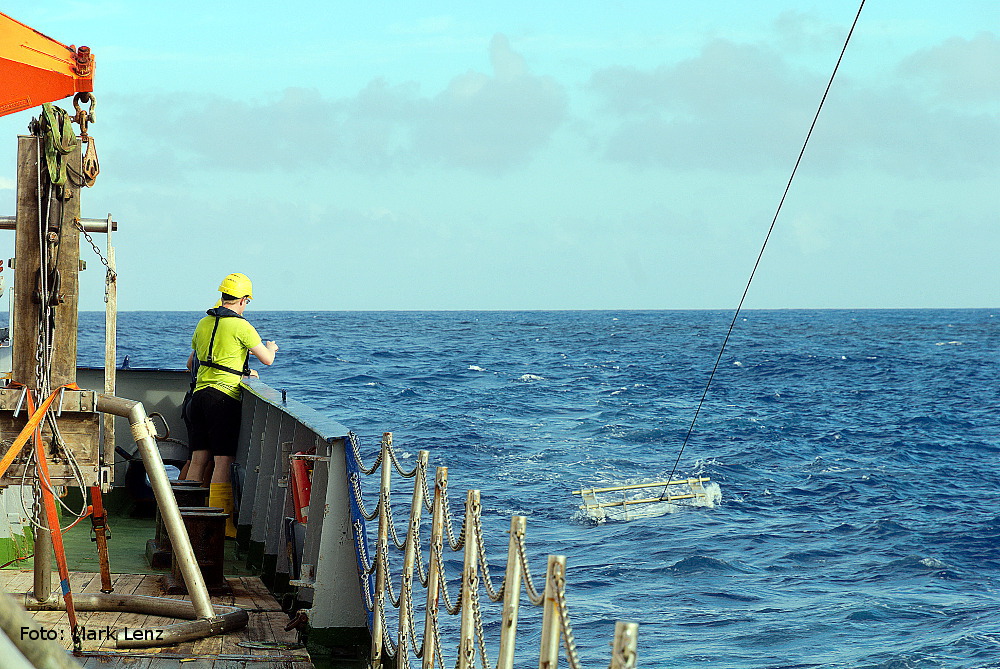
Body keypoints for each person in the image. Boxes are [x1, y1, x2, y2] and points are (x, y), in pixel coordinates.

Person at [185, 272, 278, 537]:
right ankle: (220, 525)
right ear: (244, 300)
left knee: (198, 460)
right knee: (223, 462)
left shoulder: (204, 323)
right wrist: (270, 347)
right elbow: (267, 360)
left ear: (223, 296)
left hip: (198, 398)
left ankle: (187, 519)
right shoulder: (242, 326)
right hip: (222, 399)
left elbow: (191, 364)